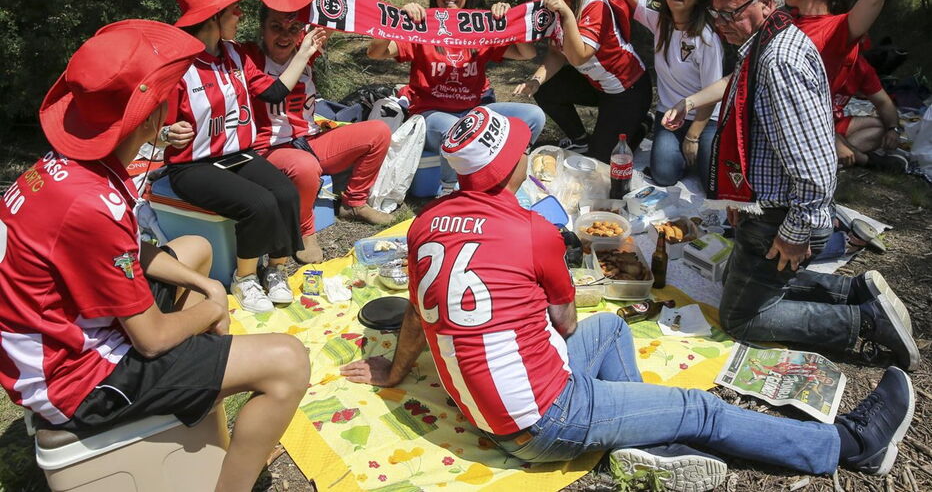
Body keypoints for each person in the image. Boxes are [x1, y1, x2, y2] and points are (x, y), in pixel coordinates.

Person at [339, 106, 915, 490]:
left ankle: (650, 444)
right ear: (511, 165)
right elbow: (562, 326)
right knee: (701, 407)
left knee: (613, 328)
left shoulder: (424, 226)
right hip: (542, 419)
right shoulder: (533, 230)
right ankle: (846, 445)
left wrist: (395, 372)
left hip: (491, 409)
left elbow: (418, 312)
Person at [0, 20, 310, 492]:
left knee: (195, 251)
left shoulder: (67, 168)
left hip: (55, 344)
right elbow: (150, 338)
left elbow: (124, 250)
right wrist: (213, 306)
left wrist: (206, 283)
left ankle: (195, 406)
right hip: (77, 381)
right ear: (150, 117)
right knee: (288, 360)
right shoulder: (91, 203)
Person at [686, 0, 918, 370]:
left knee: (742, 316)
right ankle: (854, 292)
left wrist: (795, 232)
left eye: (729, 13)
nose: (719, 21)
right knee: (743, 282)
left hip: (782, 217)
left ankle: (864, 321)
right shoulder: (764, 40)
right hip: (767, 207)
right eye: (715, 12)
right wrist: (741, 198)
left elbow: (816, 168)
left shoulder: (779, 61)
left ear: (764, 2)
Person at [162, 0, 321, 313]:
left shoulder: (234, 55)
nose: (240, 14)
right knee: (259, 204)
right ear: (213, 17)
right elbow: (151, 122)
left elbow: (275, 90)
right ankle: (244, 278)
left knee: (285, 193)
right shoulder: (178, 64)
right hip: (192, 165)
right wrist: (166, 133)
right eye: (233, 9)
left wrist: (304, 52)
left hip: (237, 154)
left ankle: (275, 270)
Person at [241, 0, 393, 263]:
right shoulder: (250, 58)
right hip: (270, 150)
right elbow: (271, 93)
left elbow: (331, 11)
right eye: (276, 28)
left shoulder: (307, 48)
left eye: (293, 28)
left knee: (378, 131)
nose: (285, 35)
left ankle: (354, 202)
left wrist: (394, 15)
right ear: (262, 30)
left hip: (309, 140)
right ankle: (304, 230)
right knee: (306, 167)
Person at [367, 0, 546, 195]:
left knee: (533, 116)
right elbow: (375, 52)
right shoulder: (421, 27)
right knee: (457, 127)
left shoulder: (480, 29)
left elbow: (527, 53)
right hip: (429, 116)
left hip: (472, 112)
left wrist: (508, 22)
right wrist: (396, 21)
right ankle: (450, 190)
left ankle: (503, 172)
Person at [782, 0, 906, 172]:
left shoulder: (838, 28)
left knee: (876, 127)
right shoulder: (782, 20)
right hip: (797, 126)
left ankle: (844, 153)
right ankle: (863, 159)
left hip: (819, 127)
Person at [514, 0, 651, 163]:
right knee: (546, 88)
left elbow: (579, 56)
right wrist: (536, 81)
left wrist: (567, 14)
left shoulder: (593, 3)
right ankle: (580, 139)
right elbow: (558, 54)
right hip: (596, 85)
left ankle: (643, 124)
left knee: (602, 160)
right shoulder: (558, 5)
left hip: (628, 89)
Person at [609, 0, 724, 187]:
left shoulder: (706, 38)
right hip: (670, 114)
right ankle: (665, 142)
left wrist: (693, 137)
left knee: (712, 182)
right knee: (663, 175)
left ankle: (695, 151)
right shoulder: (659, 18)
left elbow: (713, 94)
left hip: (705, 118)